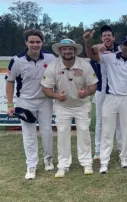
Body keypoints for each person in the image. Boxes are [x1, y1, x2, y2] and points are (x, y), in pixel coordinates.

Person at [84, 31, 127, 172]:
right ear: (121, 46)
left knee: (126, 130)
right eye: (125, 45)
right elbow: (91, 56)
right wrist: (87, 42)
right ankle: (104, 161)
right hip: (111, 98)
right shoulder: (109, 57)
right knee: (107, 131)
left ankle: (124, 158)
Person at [41, 38, 98, 178]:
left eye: (70, 49)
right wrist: (56, 95)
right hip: (62, 107)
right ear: (60, 51)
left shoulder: (84, 65)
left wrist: (87, 92)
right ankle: (63, 165)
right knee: (62, 134)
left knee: (84, 133)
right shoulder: (53, 66)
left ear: (74, 50)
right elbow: (45, 88)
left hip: (82, 105)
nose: (67, 51)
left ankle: (86, 163)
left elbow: (93, 85)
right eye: (64, 49)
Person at [5, 29, 56, 180]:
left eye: (38, 42)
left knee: (47, 131)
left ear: (43, 42)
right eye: (31, 42)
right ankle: (31, 165)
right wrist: (9, 104)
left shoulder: (51, 58)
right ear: (26, 42)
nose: (35, 45)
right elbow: (10, 82)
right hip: (25, 102)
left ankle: (48, 159)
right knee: (29, 134)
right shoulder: (17, 60)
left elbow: (57, 78)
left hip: (45, 100)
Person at [90, 25, 122, 160]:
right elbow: (90, 54)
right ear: (101, 38)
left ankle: (121, 149)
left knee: (119, 122)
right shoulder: (97, 51)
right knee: (100, 122)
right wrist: (96, 48)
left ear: (113, 37)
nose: (107, 37)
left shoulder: (120, 51)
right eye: (104, 36)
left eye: (109, 35)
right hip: (101, 90)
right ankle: (98, 150)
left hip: (117, 91)